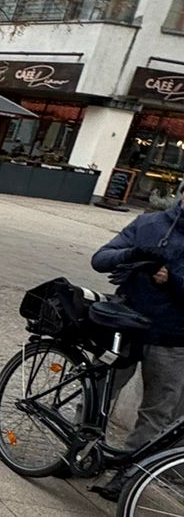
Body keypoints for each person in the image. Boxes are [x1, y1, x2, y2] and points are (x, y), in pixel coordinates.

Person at [91, 198, 184, 493]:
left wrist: (172, 281)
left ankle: (130, 475)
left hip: (172, 339)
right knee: (98, 393)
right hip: (125, 327)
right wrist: (132, 254)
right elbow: (100, 259)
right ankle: (83, 452)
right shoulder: (149, 223)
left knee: (156, 412)